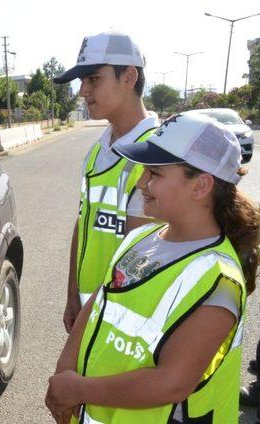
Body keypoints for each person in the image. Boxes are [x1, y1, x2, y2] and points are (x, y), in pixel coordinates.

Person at [44, 113, 260, 423]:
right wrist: (64, 373)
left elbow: (171, 383)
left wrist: (79, 390)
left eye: (154, 173)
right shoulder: (139, 237)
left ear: (200, 185)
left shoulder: (219, 279)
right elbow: (96, 307)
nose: (141, 182)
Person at [53, 30, 158, 332]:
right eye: (81, 81)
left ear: (128, 77)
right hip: (91, 311)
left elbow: (141, 256)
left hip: (124, 320)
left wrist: (91, 318)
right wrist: (73, 295)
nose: (82, 90)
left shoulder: (156, 156)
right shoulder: (98, 148)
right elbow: (83, 220)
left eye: (93, 79)